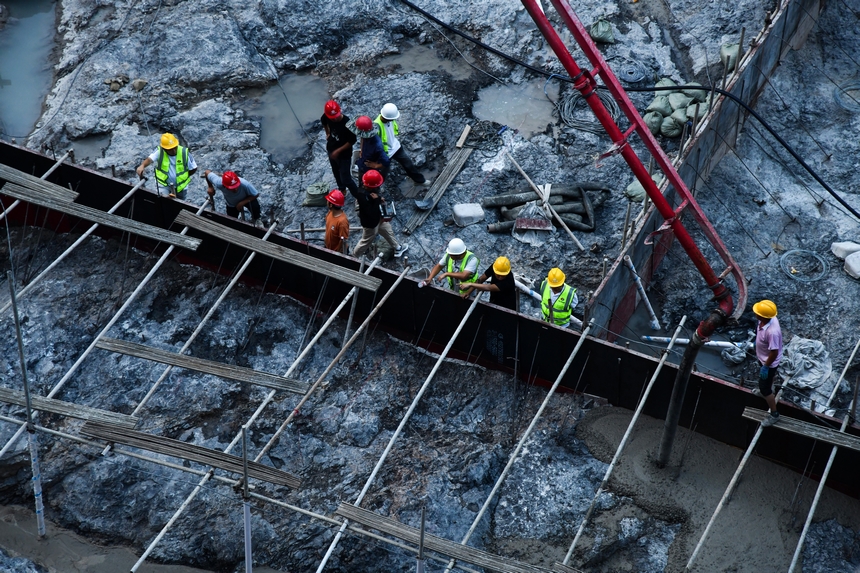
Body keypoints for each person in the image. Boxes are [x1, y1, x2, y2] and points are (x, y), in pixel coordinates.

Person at [352, 170, 408, 258]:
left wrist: (379, 200)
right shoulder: (362, 197)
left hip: (378, 218)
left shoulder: (369, 190)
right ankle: (354, 257)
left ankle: (397, 248)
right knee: (366, 241)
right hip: (371, 223)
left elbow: (373, 203)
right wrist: (377, 200)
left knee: (387, 230)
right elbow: (369, 212)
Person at [373, 103, 430, 187]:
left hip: (396, 147)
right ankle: (375, 189)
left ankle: (419, 181)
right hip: (385, 153)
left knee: (408, 164)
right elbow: (374, 143)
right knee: (383, 172)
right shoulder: (376, 125)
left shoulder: (389, 118)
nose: (393, 120)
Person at [136, 133, 197, 199]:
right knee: (163, 200)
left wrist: (184, 176)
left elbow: (194, 168)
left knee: (180, 203)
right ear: (164, 148)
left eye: (175, 147)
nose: (173, 150)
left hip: (181, 186)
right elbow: (150, 159)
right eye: (170, 149)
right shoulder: (160, 151)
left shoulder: (184, 153)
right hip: (163, 184)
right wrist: (142, 166)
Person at [753, 299, 783, 428]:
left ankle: (774, 414)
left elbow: (774, 352)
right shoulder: (768, 318)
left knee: (765, 388)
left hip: (768, 362)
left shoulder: (772, 332)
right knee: (766, 382)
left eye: (757, 313)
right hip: (763, 358)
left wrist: (766, 366)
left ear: (762, 316)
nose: (755, 314)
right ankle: (766, 390)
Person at [321, 100, 359, 198]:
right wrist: (327, 133)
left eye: (336, 117)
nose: (334, 119)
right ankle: (342, 189)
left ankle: (359, 197)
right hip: (331, 149)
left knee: (346, 179)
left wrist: (338, 151)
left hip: (344, 155)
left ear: (340, 111)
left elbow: (352, 141)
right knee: (336, 171)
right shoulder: (327, 116)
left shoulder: (348, 123)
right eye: (332, 118)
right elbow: (324, 122)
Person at [352, 115, 390, 184]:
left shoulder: (377, 145)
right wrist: (361, 148)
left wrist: (376, 165)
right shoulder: (365, 135)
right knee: (361, 183)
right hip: (362, 163)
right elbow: (362, 137)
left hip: (369, 171)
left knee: (369, 185)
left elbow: (386, 161)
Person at [324, 189, 350, 253]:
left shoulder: (342, 222)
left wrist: (337, 253)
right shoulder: (330, 213)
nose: (326, 201)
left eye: (328, 201)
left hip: (337, 252)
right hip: (329, 248)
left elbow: (343, 240)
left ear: (330, 205)